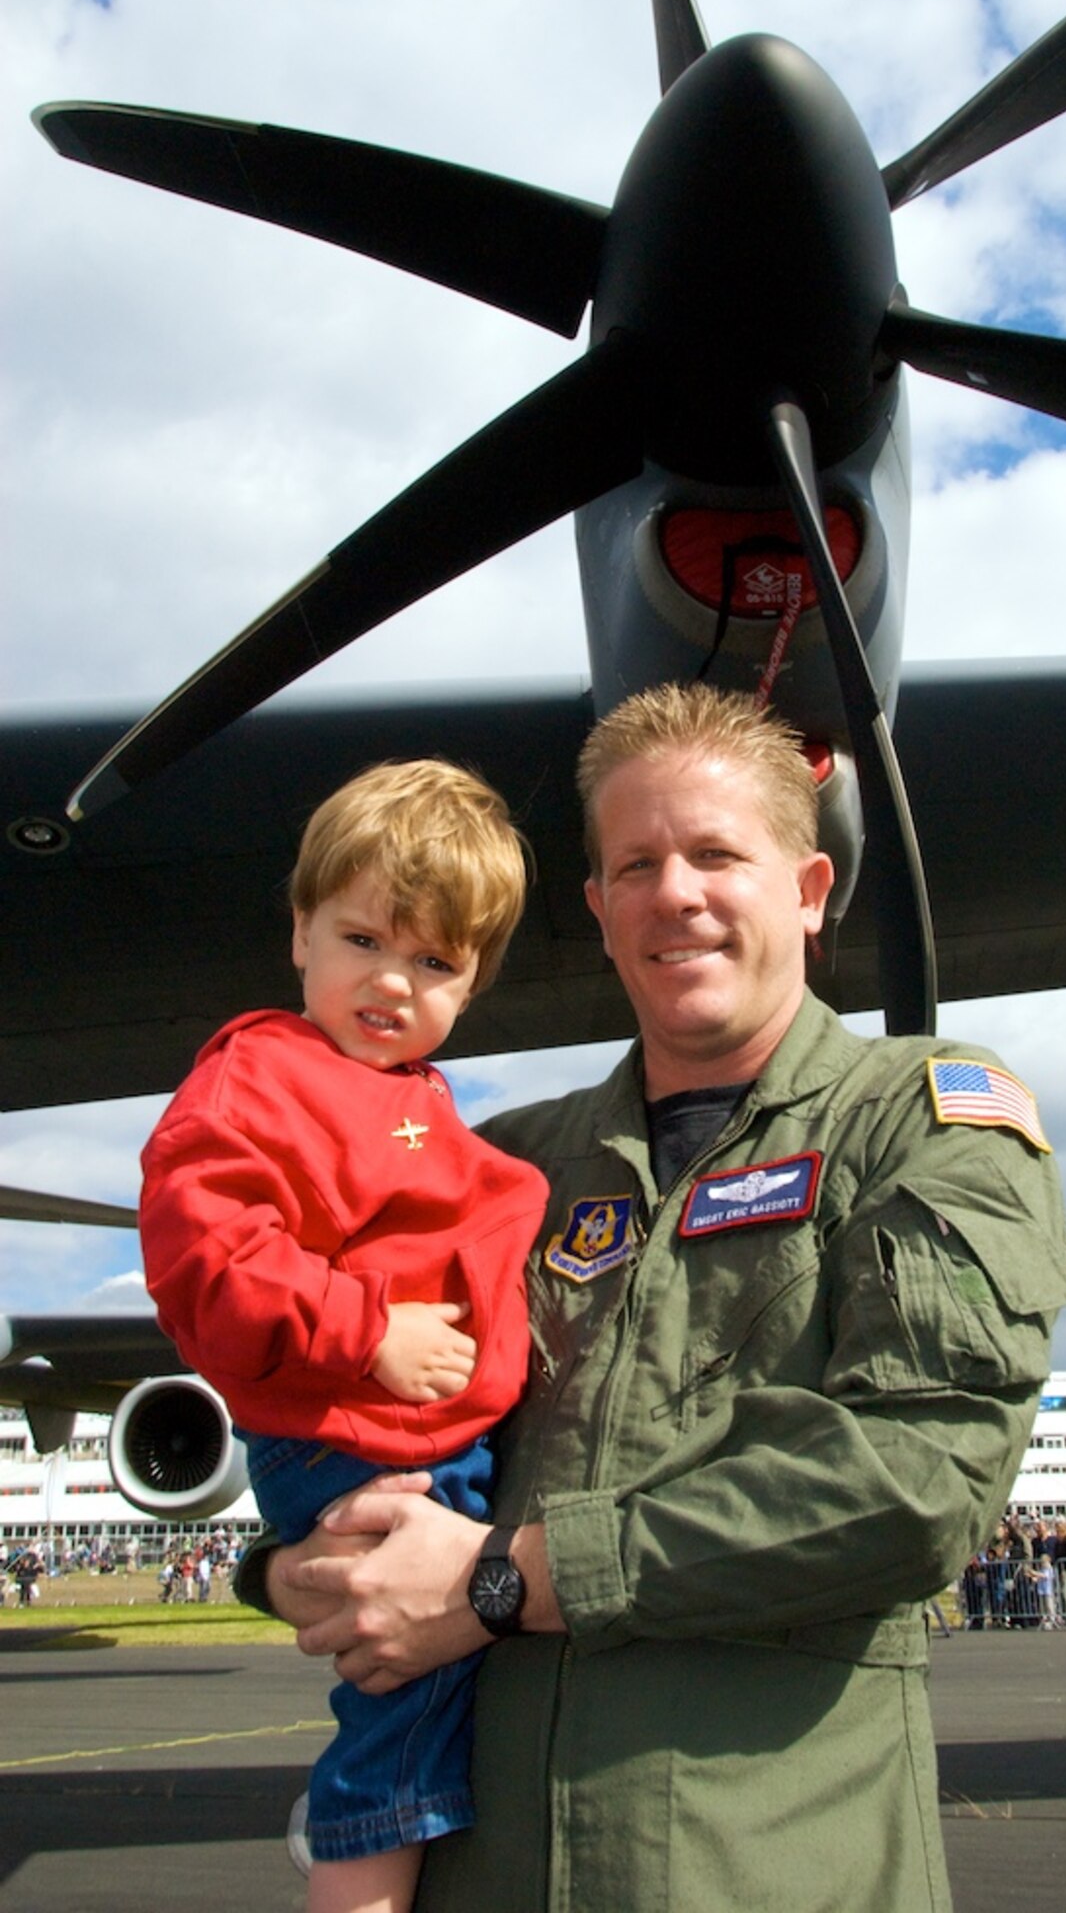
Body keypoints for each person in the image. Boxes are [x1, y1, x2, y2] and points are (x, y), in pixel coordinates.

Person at [252, 684, 1066, 1911]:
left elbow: (918, 1482)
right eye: (635, 863)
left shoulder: (919, 1117)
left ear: (809, 890)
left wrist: (505, 1581)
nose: (675, 892)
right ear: (599, 910)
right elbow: (362, 1417)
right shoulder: (500, 1167)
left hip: (760, 1872)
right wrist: (292, 1568)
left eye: (716, 854)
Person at [139, 759, 550, 1913]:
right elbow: (206, 1254)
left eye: (434, 963)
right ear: (300, 932)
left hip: (409, 1438)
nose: (391, 980)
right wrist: (369, 1329)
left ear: (472, 983)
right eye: (363, 938)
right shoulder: (263, 1075)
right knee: (404, 1715)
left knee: (436, 1700)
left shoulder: (408, 1094)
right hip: (358, 1439)